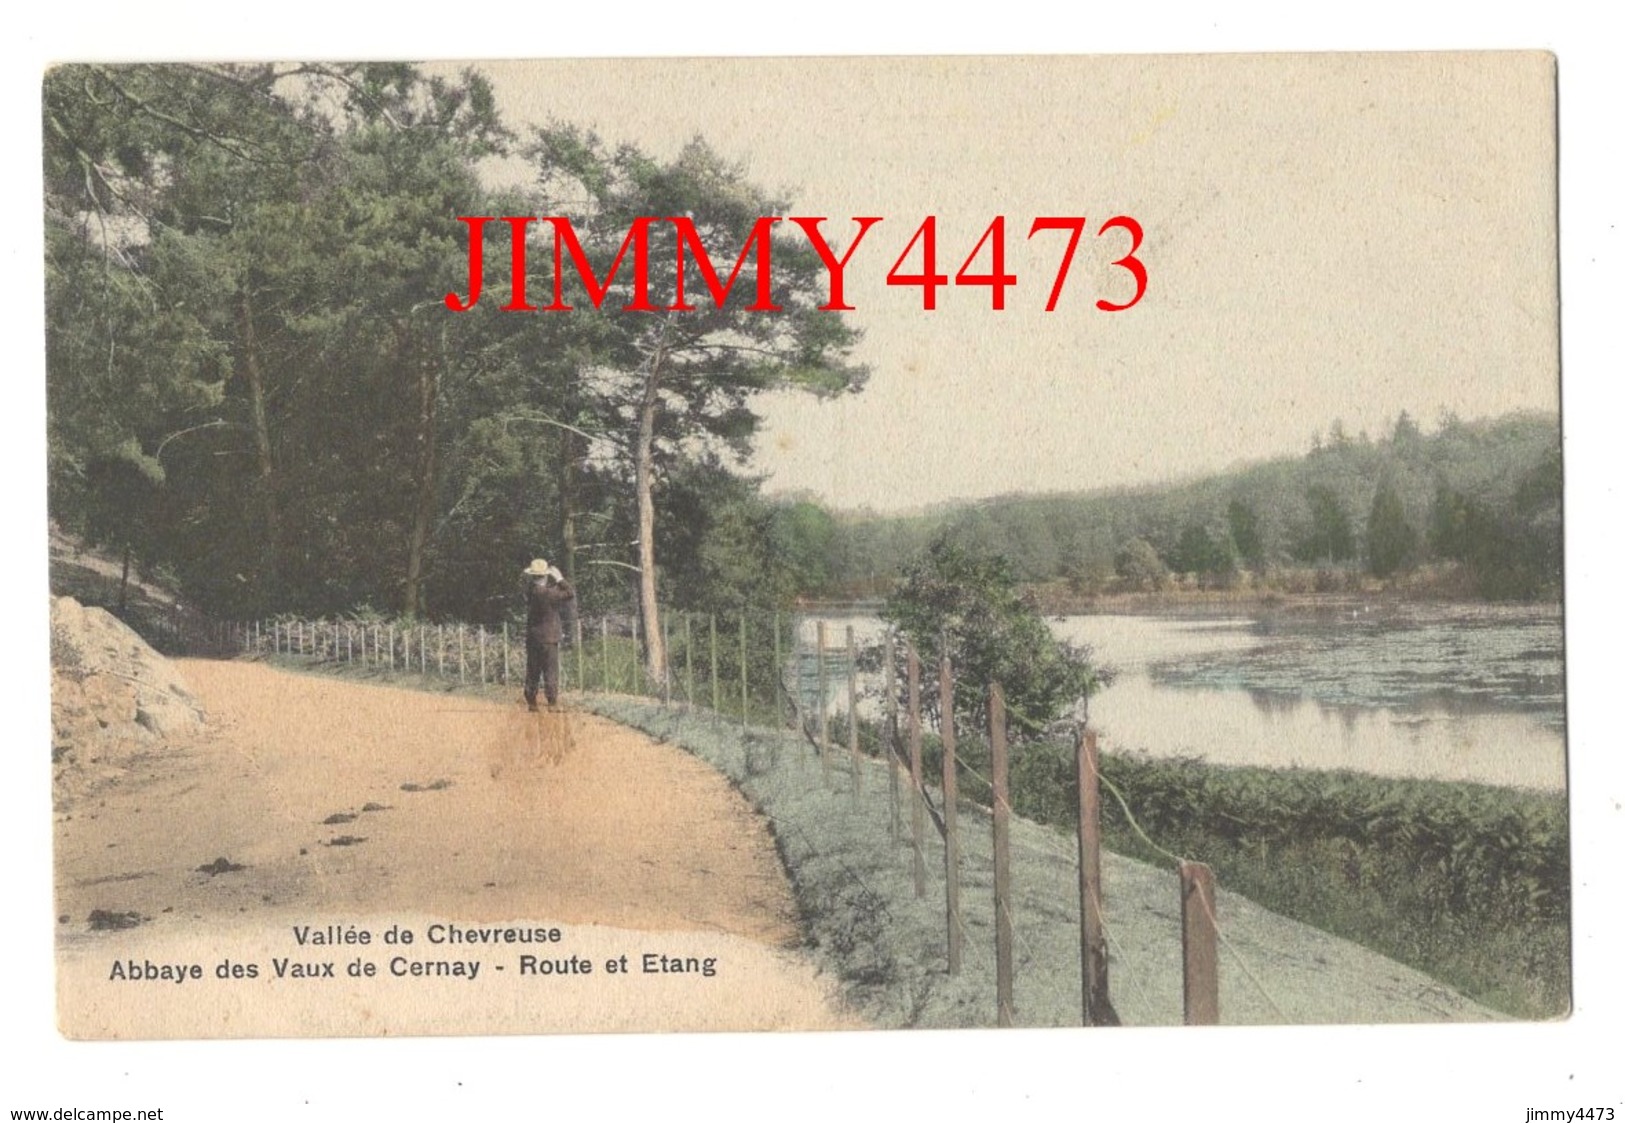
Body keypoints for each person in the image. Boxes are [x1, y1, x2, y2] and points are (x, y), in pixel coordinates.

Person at [521, 558, 575, 710]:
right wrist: (559, 579)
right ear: (545, 576)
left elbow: (535, 586)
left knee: (533, 670)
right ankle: (552, 702)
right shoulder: (548, 594)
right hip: (549, 638)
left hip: (533, 637)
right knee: (550, 670)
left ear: (533, 576)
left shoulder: (531, 591)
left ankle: (531, 701)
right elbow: (570, 593)